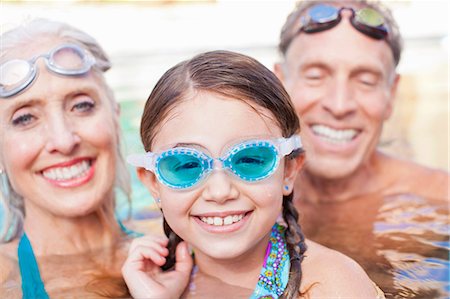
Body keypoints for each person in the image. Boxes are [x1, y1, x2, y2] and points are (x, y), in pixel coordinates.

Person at [122, 50, 385, 298]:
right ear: (153, 182)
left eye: (249, 160)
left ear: (289, 170)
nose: (220, 191)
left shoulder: (331, 283)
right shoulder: (154, 278)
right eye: (187, 165)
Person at [274, 1, 449, 297]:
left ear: (391, 94)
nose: (339, 104)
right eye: (315, 76)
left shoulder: (439, 200)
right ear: (279, 83)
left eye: (366, 81)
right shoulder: (231, 197)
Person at [0, 18, 142, 298]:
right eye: (25, 118)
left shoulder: (181, 247)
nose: (64, 141)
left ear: (115, 115)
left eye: (81, 105)